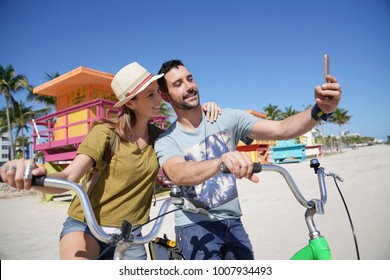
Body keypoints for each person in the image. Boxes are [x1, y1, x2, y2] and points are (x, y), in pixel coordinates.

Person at [0, 62, 221, 260]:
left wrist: (206, 110)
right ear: (131, 103)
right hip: (87, 226)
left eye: (158, 93)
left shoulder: (160, 138)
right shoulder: (106, 133)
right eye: (150, 95)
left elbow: (189, 138)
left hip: (132, 233)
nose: (159, 99)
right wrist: (33, 176)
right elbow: (69, 177)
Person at [154, 59, 342, 260]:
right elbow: (178, 172)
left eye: (190, 79)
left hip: (233, 221)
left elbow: (281, 128)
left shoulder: (227, 118)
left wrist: (320, 110)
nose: (189, 86)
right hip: (194, 225)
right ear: (165, 96)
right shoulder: (167, 140)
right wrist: (221, 162)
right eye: (178, 83)